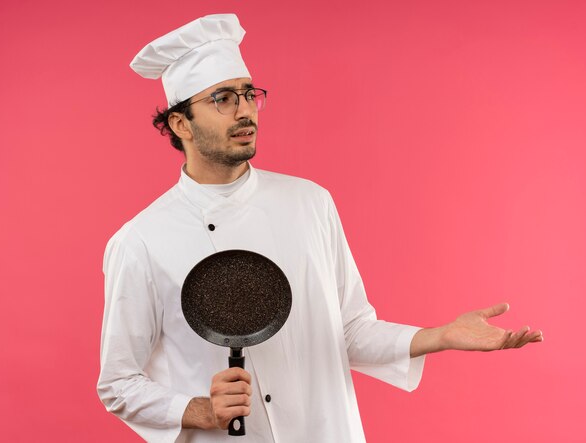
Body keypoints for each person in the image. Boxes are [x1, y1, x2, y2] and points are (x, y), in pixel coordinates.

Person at [97, 14, 543, 443]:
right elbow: (118, 382)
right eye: (223, 99)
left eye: (249, 94)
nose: (245, 111)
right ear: (180, 124)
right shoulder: (141, 241)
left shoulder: (310, 203)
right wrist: (197, 410)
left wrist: (440, 336)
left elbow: (349, 331)